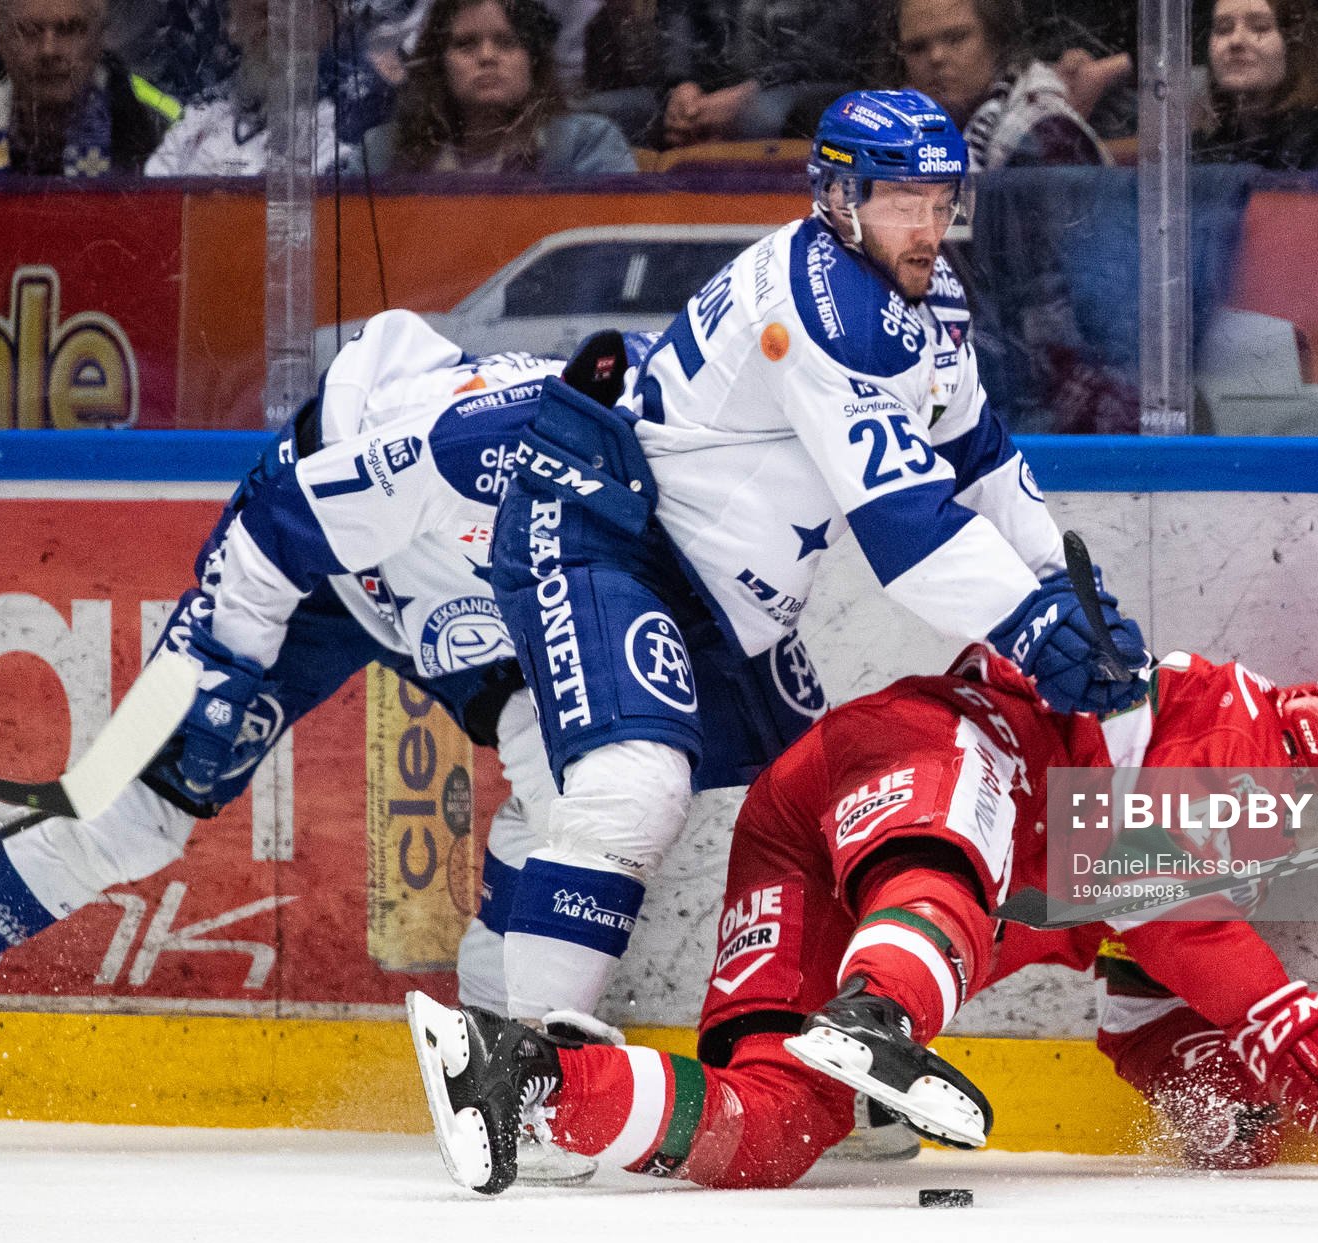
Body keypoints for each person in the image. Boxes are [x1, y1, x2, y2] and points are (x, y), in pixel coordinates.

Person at [474, 88, 1145, 1059]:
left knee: (824, 806)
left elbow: (985, 464)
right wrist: (1038, 629)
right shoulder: (825, 306)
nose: (927, 224)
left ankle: (791, 1046)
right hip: (617, 541)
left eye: (941, 198)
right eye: (899, 199)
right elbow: (907, 529)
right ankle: (525, 1065)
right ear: (837, 196)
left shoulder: (929, 296)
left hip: (723, 600)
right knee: (634, 786)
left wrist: (1067, 590)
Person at [0, 327, 655, 1145]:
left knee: (576, 787)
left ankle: (496, 1060)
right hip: (316, 577)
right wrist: (223, 665)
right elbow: (277, 525)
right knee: (134, 816)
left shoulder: (650, 452)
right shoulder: (442, 444)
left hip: (468, 598)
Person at [408, 644, 1318, 1192]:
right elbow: (1172, 913)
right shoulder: (1234, 720)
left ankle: (521, 1076)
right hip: (934, 755)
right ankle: (880, 1013)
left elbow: (1145, 1024)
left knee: (773, 1123)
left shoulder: (1196, 850)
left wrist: (1234, 1109)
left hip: (802, 834)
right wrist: (1295, 1024)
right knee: (949, 875)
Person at [361, 0, 637, 176]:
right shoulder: (380, 153)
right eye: (466, 44)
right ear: (439, 63)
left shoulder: (587, 144)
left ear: (533, 60)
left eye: (507, 42)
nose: (487, 57)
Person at [0, 0, 182, 176]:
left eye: (69, 29)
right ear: (1, 37)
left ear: (99, 37)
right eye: (29, 31)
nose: (49, 50)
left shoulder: (163, 145)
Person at [144, 0, 353, 177]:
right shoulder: (199, 125)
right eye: (261, 12)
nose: (272, 25)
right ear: (231, 26)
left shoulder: (344, 133)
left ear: (330, 22)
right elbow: (151, 208)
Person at [894, 0, 1110, 168]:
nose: (935, 57)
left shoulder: (1043, 132)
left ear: (996, 40)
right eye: (916, 48)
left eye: (956, 38)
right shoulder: (917, 131)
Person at [1193, 0, 1318, 169]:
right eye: (1223, 29)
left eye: (1259, 27)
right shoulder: (1210, 150)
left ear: (1296, 47)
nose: (1235, 41)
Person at [656, 0, 875, 145]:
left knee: (764, 119)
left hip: (798, 84)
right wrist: (683, 84)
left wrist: (751, 90)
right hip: (705, 92)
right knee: (627, 117)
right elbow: (678, 13)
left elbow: (834, 41)